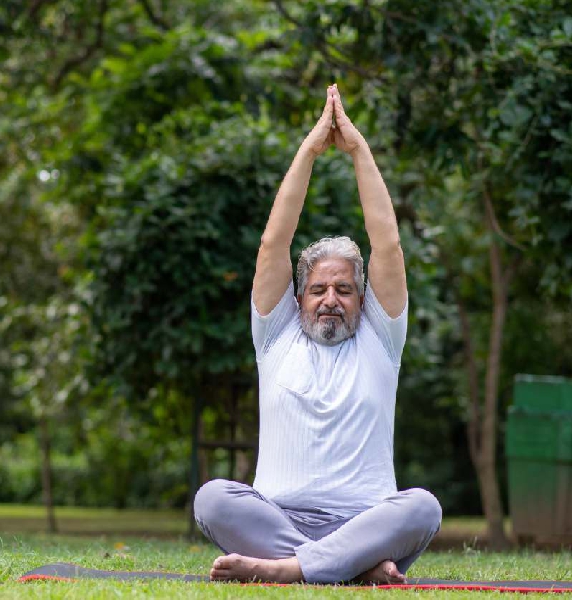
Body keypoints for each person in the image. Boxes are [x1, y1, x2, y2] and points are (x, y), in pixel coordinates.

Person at [193, 84, 442, 584]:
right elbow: (274, 243)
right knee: (212, 498)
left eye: (345, 289)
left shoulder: (380, 339)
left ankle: (289, 569)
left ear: (363, 300)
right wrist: (308, 151)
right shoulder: (275, 335)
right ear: (298, 297)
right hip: (278, 520)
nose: (331, 298)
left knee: (423, 507)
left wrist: (359, 151)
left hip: (365, 524)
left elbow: (387, 246)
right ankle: (350, 568)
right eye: (318, 289)